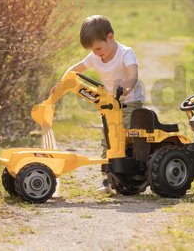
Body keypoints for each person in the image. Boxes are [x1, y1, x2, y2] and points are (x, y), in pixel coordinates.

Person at [54, 15, 145, 193]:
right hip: (110, 105)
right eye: (92, 50)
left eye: (98, 48)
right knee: (108, 139)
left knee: (125, 137)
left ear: (110, 37)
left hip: (130, 102)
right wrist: (61, 85)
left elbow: (133, 74)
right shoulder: (95, 57)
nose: (96, 53)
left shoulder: (126, 53)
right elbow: (74, 70)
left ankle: (133, 176)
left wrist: (127, 87)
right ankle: (108, 181)